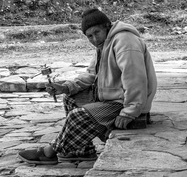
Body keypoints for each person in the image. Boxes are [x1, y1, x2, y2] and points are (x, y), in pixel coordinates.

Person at [18, 8, 158, 164]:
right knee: (71, 98)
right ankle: (82, 150)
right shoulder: (104, 44)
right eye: (89, 36)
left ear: (107, 26)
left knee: (77, 116)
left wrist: (129, 111)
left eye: (96, 33)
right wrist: (65, 87)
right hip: (112, 99)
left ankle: (49, 152)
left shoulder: (125, 41)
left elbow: (135, 79)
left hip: (123, 103)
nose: (94, 39)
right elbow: (91, 74)